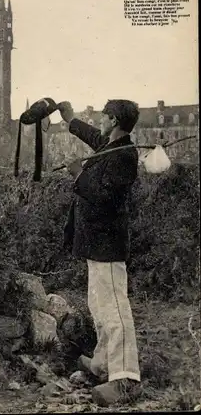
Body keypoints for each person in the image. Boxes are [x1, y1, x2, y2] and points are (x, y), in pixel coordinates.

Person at [59, 99, 141, 407]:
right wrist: (71, 120)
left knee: (115, 309)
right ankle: (104, 364)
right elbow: (95, 137)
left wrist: (79, 174)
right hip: (96, 243)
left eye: (105, 116)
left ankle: (126, 380)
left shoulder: (124, 156)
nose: (101, 120)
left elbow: (107, 199)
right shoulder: (111, 145)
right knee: (99, 305)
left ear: (115, 120)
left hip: (107, 245)